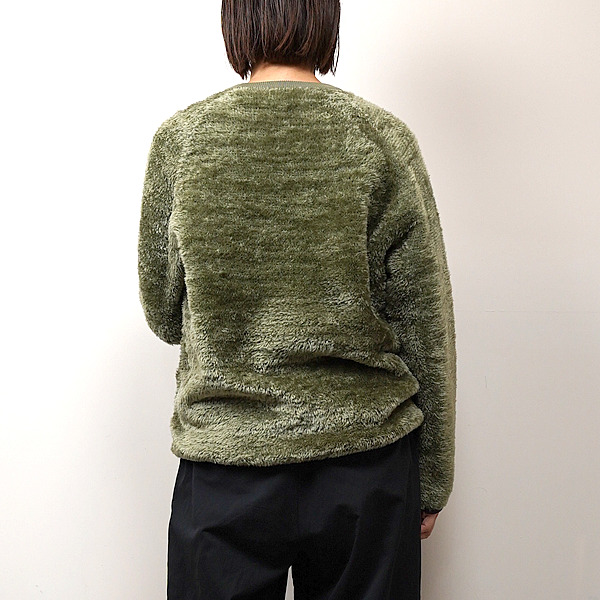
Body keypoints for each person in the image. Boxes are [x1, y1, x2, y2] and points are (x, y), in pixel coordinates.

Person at [137, 1, 457, 598]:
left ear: (236, 20)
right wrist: (433, 477)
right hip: (364, 467)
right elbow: (424, 323)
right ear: (325, 19)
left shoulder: (183, 140)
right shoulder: (381, 138)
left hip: (227, 464)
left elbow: (163, 311)